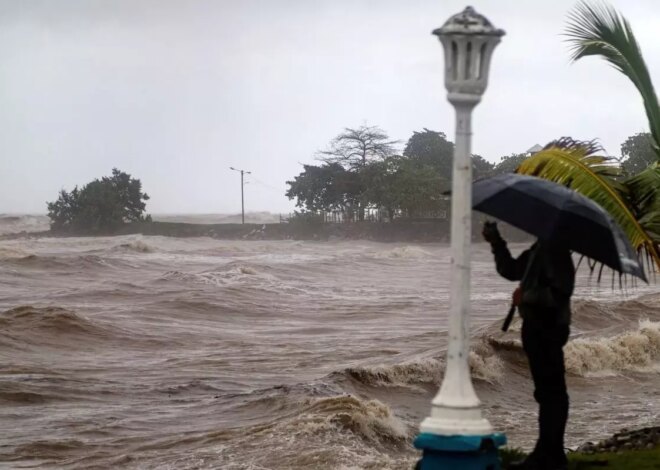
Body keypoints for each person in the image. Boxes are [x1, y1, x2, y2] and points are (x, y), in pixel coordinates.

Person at [482, 221, 575, 470]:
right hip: (535, 327)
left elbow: (562, 291)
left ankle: (550, 455)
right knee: (546, 392)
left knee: (552, 392)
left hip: (549, 328)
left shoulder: (557, 252)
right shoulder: (539, 249)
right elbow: (512, 270)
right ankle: (548, 452)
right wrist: (496, 242)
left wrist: (527, 296)